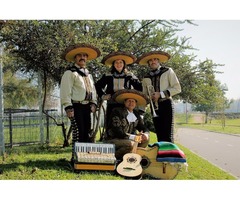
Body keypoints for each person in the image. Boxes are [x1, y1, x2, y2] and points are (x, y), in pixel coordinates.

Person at [60, 43, 101, 145]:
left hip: (87, 107)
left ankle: (85, 157)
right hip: (76, 106)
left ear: (87, 58)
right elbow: (65, 90)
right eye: (79, 55)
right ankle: (76, 159)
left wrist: (94, 103)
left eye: (84, 56)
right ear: (75, 58)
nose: (82, 58)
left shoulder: (88, 74)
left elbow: (93, 90)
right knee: (78, 133)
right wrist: (68, 107)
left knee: (87, 132)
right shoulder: (70, 73)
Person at [136, 50, 181, 143]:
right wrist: (141, 112)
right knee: (159, 134)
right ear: (148, 63)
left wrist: (160, 94)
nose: (153, 61)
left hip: (166, 104)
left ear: (158, 61)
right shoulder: (145, 78)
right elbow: (144, 96)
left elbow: (177, 88)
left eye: (155, 59)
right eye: (151, 60)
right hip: (154, 108)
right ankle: (161, 155)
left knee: (168, 134)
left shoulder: (168, 71)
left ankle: (169, 156)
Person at [95, 51, 142, 132]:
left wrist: (133, 97)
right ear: (113, 64)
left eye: (121, 62)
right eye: (116, 62)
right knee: (112, 125)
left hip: (126, 105)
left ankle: (130, 140)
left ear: (124, 64)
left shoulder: (129, 75)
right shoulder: (108, 75)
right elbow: (97, 86)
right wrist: (103, 95)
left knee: (128, 124)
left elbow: (139, 87)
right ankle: (112, 141)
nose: (119, 64)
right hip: (112, 104)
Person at [103, 89, 150, 160]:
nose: (131, 103)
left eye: (133, 101)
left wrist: (145, 134)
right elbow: (117, 131)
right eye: (129, 101)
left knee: (145, 140)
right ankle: (112, 158)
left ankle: (133, 158)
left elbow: (142, 127)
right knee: (130, 144)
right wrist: (133, 137)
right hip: (113, 139)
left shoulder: (136, 114)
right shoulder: (117, 111)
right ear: (124, 102)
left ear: (135, 104)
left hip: (129, 140)